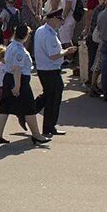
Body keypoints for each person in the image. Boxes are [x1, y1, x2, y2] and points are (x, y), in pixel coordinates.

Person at [0, 24, 50, 146]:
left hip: (8, 78)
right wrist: (17, 86)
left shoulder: (11, 45)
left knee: (5, 106)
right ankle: (36, 135)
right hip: (18, 79)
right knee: (29, 108)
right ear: (26, 36)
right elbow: (17, 68)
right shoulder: (19, 50)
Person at [33, 8, 71, 136]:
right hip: (50, 69)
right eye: (60, 20)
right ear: (54, 19)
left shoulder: (41, 30)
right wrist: (67, 51)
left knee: (48, 96)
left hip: (44, 68)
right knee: (53, 99)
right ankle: (49, 127)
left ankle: (28, 111)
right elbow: (54, 55)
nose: (61, 22)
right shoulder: (49, 34)